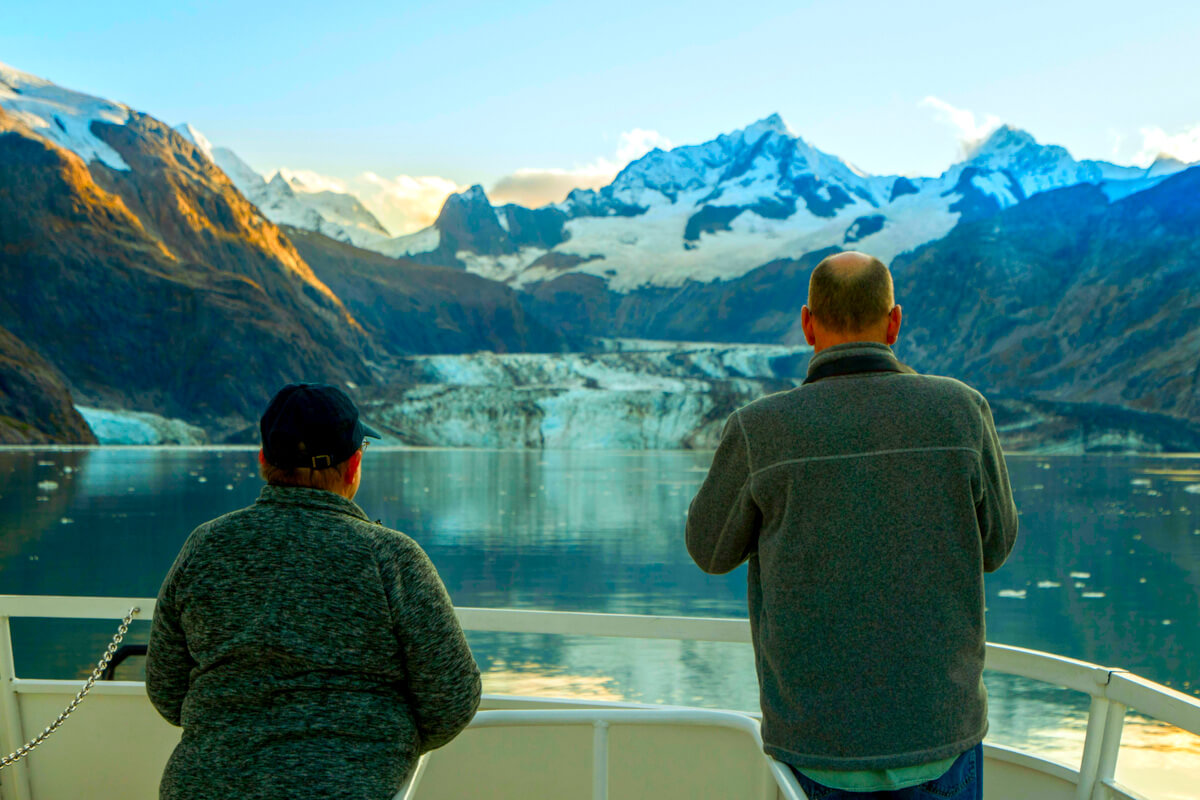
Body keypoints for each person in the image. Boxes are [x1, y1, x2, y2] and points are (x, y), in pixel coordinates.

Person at [686, 251, 1018, 799]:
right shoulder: (962, 411)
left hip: (818, 743)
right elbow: (997, 544)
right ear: (894, 322)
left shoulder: (760, 428)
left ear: (807, 325)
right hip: (941, 732)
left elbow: (709, 549)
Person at [146, 382, 480, 800]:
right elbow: (452, 698)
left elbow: (165, 688)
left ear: (264, 459)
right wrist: (375, 740)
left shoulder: (206, 546)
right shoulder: (391, 558)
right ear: (354, 464)